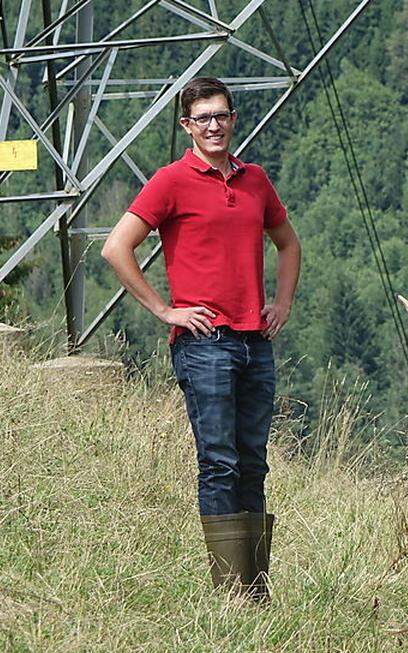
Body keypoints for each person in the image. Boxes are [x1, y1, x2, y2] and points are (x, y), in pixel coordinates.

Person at [101, 77, 301, 602]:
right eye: (203, 118)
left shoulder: (255, 179)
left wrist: (281, 303)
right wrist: (164, 309)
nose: (214, 125)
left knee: (253, 460)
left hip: (255, 341)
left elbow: (288, 243)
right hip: (204, 341)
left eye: (222, 115)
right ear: (186, 125)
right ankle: (230, 593)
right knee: (219, 461)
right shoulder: (170, 181)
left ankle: (256, 590)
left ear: (234, 119)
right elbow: (116, 248)